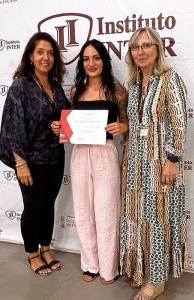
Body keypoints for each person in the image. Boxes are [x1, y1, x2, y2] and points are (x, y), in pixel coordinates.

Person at [119, 27, 188, 300]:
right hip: (134, 165)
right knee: (137, 219)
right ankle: (140, 269)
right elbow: (135, 125)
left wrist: (173, 159)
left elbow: (180, 123)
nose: (141, 51)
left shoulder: (170, 79)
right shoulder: (133, 85)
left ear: (158, 49)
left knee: (158, 221)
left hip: (161, 164)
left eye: (147, 45)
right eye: (136, 47)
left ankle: (157, 280)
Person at [53, 39, 128, 284]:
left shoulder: (117, 90)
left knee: (106, 210)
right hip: (79, 154)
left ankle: (109, 268)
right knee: (83, 210)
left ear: (104, 61)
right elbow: (69, 124)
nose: (91, 63)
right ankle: (90, 264)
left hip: (105, 153)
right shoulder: (76, 91)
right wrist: (59, 127)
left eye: (96, 58)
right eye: (86, 58)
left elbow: (129, 124)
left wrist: (122, 126)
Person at [0, 32, 70, 276]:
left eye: (50, 53)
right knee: (33, 207)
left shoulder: (56, 86)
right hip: (31, 160)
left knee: (48, 204)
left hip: (55, 157)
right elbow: (12, 124)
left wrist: (58, 125)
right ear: (30, 55)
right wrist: (21, 164)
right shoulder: (21, 85)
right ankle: (32, 253)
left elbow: (61, 118)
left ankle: (46, 248)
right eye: (40, 52)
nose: (46, 57)